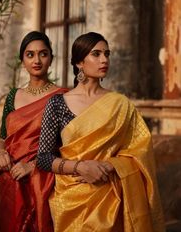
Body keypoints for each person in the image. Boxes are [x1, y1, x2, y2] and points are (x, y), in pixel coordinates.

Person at [37, 32, 165, 232]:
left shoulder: (120, 104)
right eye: (96, 54)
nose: (104, 59)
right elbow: (43, 157)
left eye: (107, 53)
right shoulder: (57, 104)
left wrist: (112, 166)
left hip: (112, 199)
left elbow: (141, 149)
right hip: (70, 201)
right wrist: (80, 167)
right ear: (80, 62)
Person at [0, 31, 67, 232]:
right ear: (22, 60)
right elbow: (3, 138)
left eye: (43, 53)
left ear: (51, 58)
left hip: (43, 181)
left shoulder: (63, 98)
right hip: (11, 181)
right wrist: (0, 153)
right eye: (30, 54)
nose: (37, 60)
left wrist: (32, 166)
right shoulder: (13, 96)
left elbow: (68, 148)